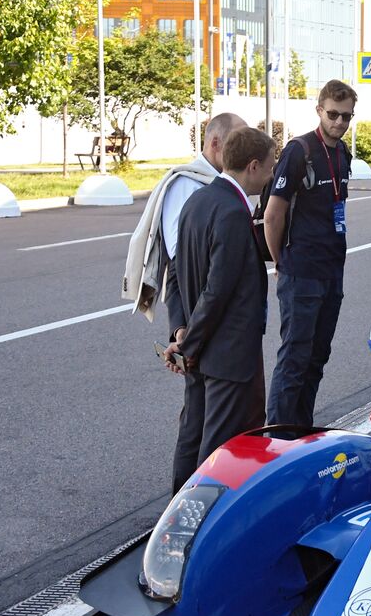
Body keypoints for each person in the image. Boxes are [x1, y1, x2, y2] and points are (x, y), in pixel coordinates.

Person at [163, 126, 277, 493]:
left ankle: (176, 515)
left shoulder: (196, 201)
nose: (274, 174)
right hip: (227, 356)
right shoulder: (231, 212)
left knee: (192, 436)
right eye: (272, 166)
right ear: (254, 166)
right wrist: (190, 345)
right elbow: (218, 291)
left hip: (201, 349)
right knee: (220, 452)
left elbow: (175, 273)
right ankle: (199, 527)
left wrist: (181, 333)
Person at [264, 80, 356, 427]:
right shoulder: (298, 150)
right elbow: (273, 215)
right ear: (319, 110)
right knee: (295, 358)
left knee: (317, 357)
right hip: (301, 271)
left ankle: (300, 430)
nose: (339, 122)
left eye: (346, 117)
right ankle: (279, 437)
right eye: (333, 114)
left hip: (332, 269)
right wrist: (281, 262)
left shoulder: (342, 152)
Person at [122, 112, 245, 323]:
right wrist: (181, 326)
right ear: (216, 143)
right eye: (237, 143)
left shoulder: (222, 182)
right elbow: (180, 260)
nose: (243, 151)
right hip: (201, 304)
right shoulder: (187, 185)